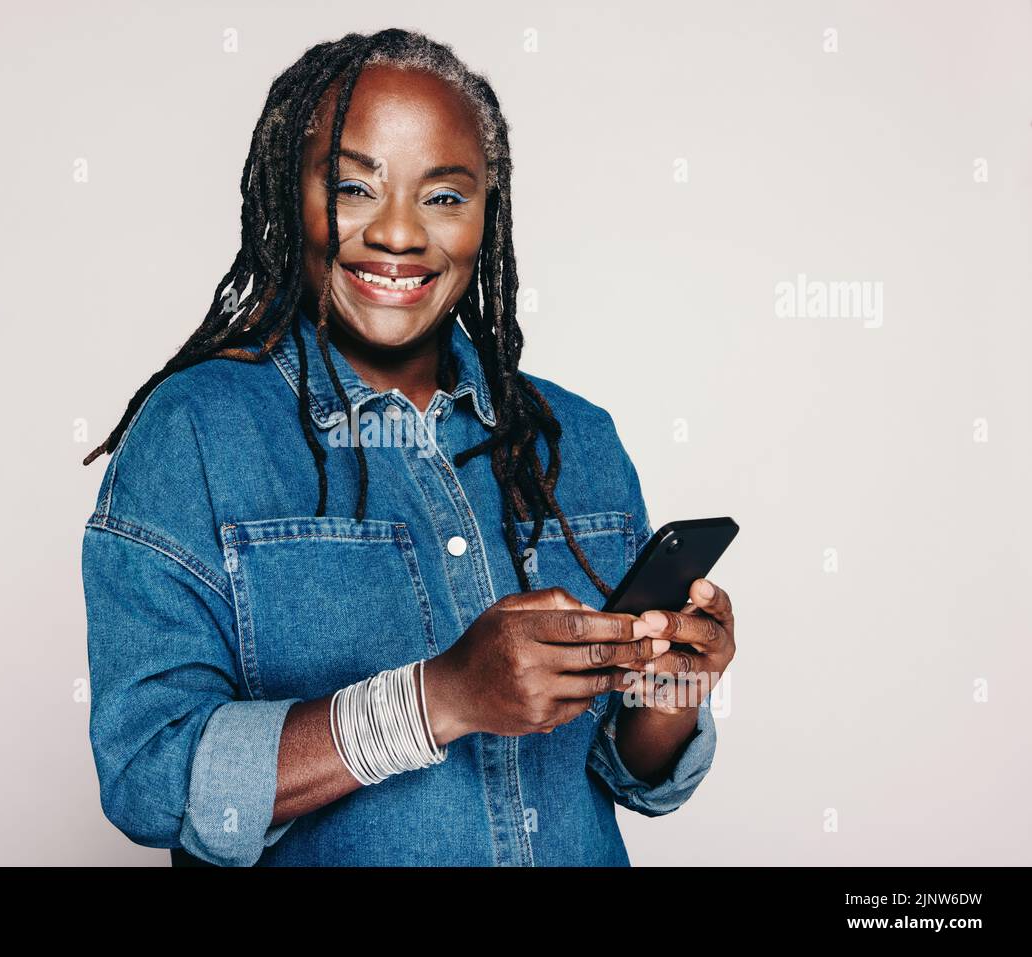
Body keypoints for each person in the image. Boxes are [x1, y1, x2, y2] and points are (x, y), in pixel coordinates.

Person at [79, 28, 735, 866]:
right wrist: (438, 699)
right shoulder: (196, 433)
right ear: (293, 198)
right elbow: (149, 774)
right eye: (354, 187)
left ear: (486, 214)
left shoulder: (574, 439)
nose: (399, 235)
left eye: (445, 197)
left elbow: (625, 771)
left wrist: (672, 681)